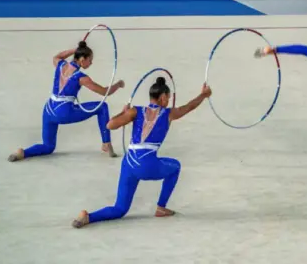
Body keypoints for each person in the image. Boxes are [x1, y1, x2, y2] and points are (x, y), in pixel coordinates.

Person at [71, 79, 212, 228]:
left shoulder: (136, 111)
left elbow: (110, 125)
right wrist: (203, 95)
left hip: (129, 163)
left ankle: (88, 217)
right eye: (168, 98)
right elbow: (189, 106)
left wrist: (123, 112)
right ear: (163, 97)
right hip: (146, 164)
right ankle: (161, 207)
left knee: (120, 209)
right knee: (175, 166)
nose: (169, 101)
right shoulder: (169, 113)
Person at [8, 41, 124, 162]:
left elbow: (57, 57)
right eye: (90, 60)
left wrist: (75, 50)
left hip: (48, 110)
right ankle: (106, 143)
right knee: (102, 107)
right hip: (63, 112)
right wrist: (118, 84)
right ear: (82, 59)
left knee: (48, 147)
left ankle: (23, 153)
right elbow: (104, 92)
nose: (91, 63)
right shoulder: (81, 77)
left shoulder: (60, 65)